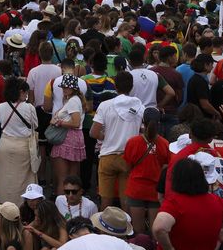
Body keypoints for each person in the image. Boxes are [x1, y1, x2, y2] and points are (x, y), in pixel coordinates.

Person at [152, 158, 223, 250]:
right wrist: (219, 239)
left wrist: (169, 248)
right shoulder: (217, 201)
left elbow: (159, 228)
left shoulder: (174, 203)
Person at [90, 72, 143, 210]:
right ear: (131, 87)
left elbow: (94, 132)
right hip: (128, 158)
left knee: (105, 200)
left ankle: (102, 229)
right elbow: (142, 132)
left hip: (107, 156)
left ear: (115, 85)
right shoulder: (139, 107)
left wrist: (107, 136)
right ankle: (127, 227)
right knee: (126, 200)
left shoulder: (105, 105)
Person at [122, 108, 169, 235]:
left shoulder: (133, 142)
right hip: (155, 190)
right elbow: (165, 167)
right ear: (159, 123)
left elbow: (127, 168)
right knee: (156, 231)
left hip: (136, 188)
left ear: (143, 121)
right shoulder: (165, 144)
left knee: (138, 231)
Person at [0, 76, 39, 203]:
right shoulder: (29, 108)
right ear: (20, 92)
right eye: (25, 92)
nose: (26, 95)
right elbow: (35, 125)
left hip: (4, 144)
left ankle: (2, 203)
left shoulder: (0, 107)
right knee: (23, 179)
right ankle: (21, 205)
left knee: (2, 178)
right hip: (23, 146)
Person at [50, 73, 87, 196]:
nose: (64, 89)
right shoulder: (75, 100)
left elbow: (75, 122)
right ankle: (72, 205)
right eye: (63, 87)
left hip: (67, 137)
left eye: (67, 87)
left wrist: (59, 123)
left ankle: (61, 205)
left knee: (63, 178)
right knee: (72, 177)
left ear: (73, 88)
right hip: (75, 138)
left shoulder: (73, 101)